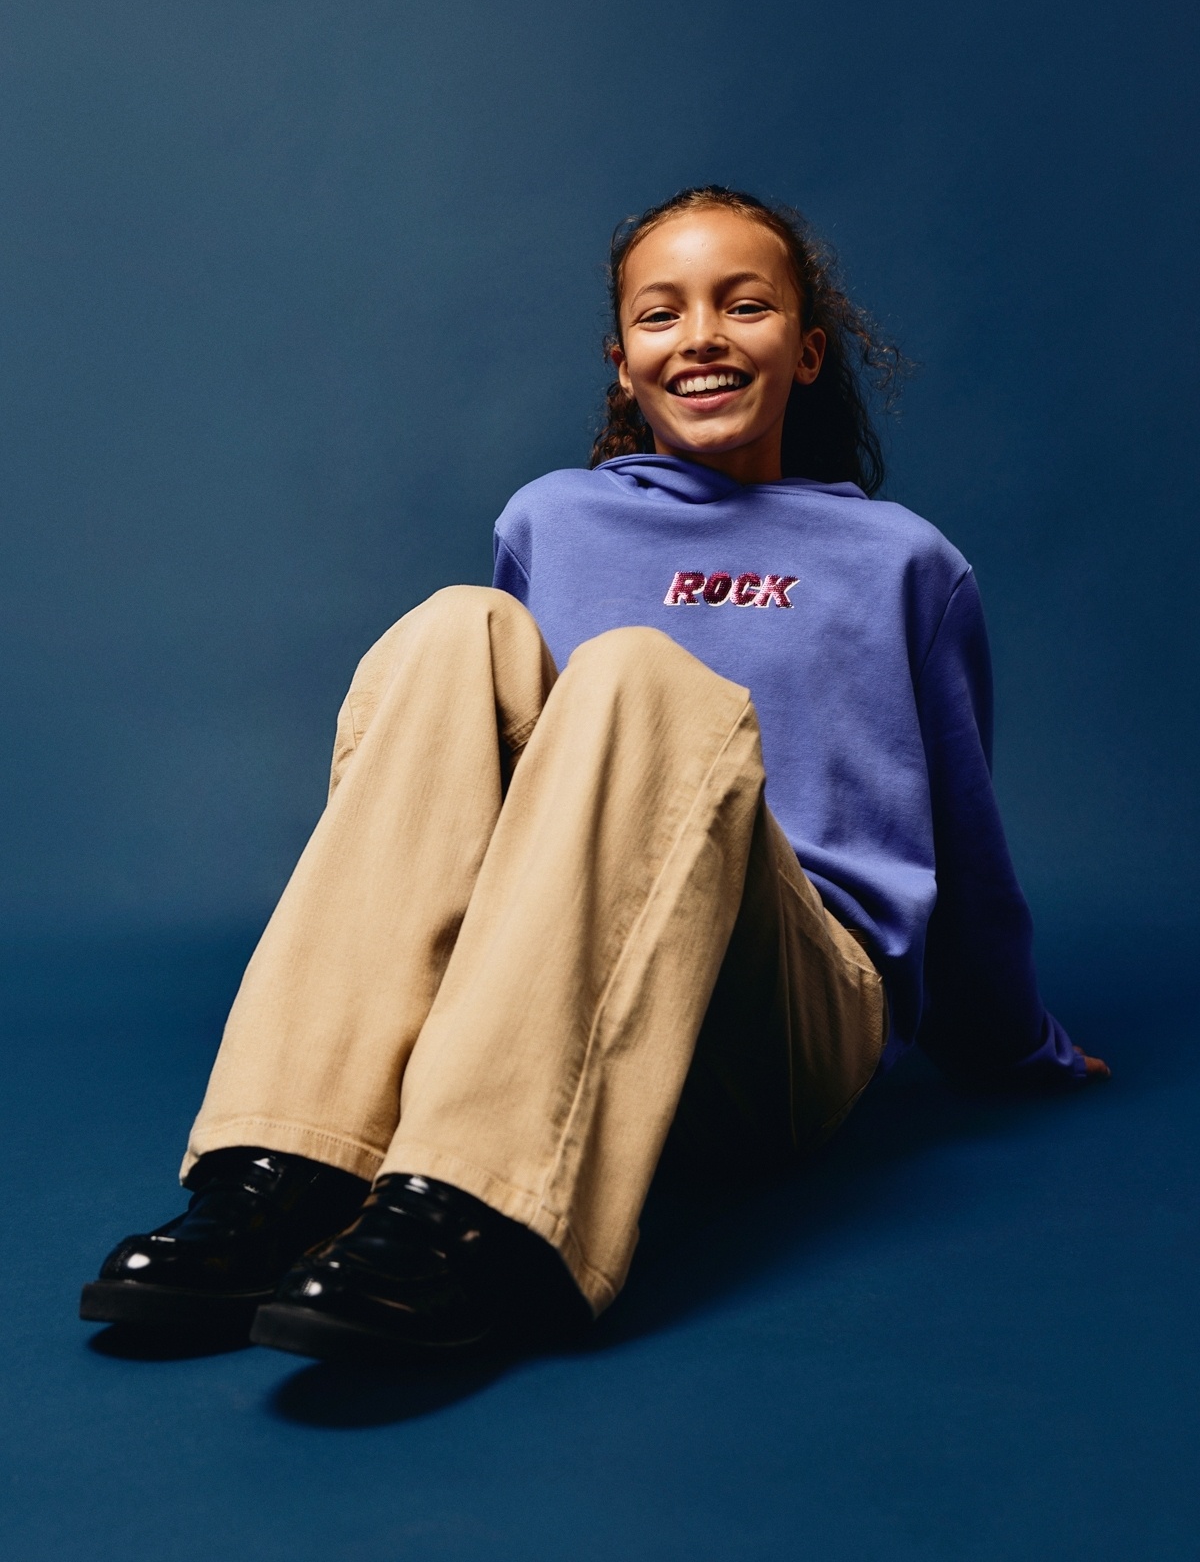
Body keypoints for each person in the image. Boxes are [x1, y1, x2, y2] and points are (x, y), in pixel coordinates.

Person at [80, 185, 1109, 1362]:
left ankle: (474, 1210)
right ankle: (286, 1171)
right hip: (583, 1003)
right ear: (624, 367)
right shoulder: (551, 522)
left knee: (635, 671)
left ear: (808, 350)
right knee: (454, 629)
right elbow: (474, 790)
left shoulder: (904, 562)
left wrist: (1017, 1045)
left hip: (786, 1024)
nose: (702, 337)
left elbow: (965, 846)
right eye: (662, 315)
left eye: (745, 306)